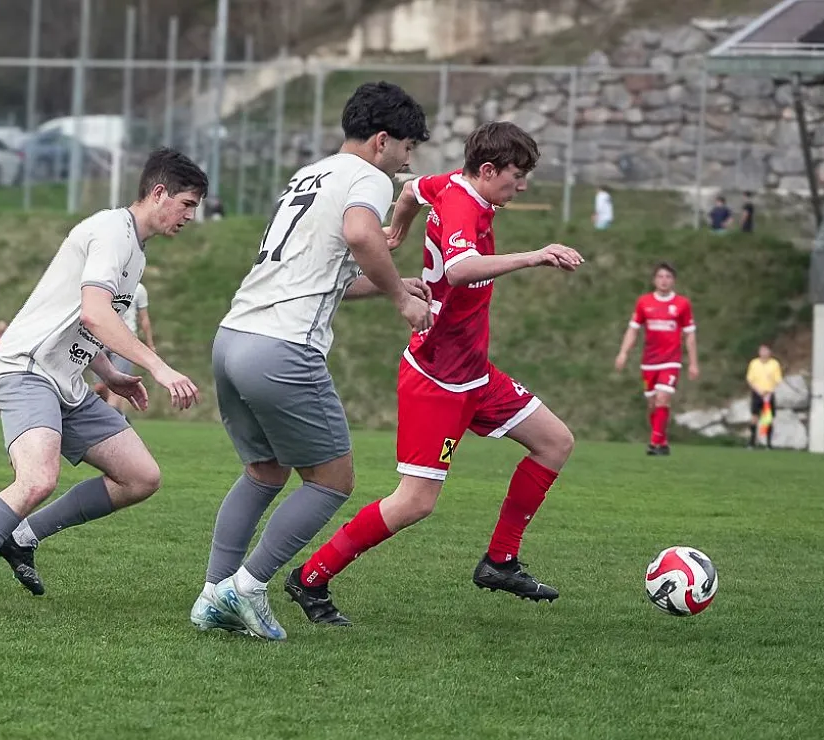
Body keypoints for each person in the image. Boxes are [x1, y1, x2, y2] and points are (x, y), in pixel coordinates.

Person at [286, 121, 584, 628]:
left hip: (473, 373)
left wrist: (399, 230)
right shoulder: (464, 203)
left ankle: (500, 561)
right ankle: (310, 577)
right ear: (488, 171)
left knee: (555, 442)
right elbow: (461, 269)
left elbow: (409, 189)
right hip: (438, 380)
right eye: (518, 176)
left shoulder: (449, 184)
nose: (523, 186)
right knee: (414, 502)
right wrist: (535, 255)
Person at [190, 81, 434, 641]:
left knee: (263, 472)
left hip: (233, 338)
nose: (406, 161)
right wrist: (400, 298)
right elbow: (359, 233)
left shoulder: (310, 173)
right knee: (332, 481)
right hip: (281, 347)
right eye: (406, 149)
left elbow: (324, 279)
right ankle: (246, 590)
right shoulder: (369, 177)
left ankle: (212, 594)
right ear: (380, 141)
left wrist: (395, 284)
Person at [0, 148, 206, 619]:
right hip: (26, 369)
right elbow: (95, 313)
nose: (191, 216)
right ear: (159, 194)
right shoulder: (111, 233)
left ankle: (21, 538)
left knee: (141, 477)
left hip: (65, 379)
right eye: (188, 204)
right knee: (37, 480)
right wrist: (159, 367)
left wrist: (111, 373)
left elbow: (85, 324)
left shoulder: (135, 251)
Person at [614, 262, 699, 456]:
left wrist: (693, 362)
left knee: (663, 397)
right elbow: (633, 330)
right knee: (652, 403)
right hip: (649, 361)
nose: (664, 280)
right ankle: (662, 440)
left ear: (673, 281)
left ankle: (653, 443)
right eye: (660, 276)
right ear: (654, 280)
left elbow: (690, 334)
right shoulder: (644, 302)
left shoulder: (682, 304)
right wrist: (623, 353)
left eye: (668, 277)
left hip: (671, 360)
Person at [95, 283, 154, 416]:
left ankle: (109, 426)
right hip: (101, 340)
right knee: (99, 388)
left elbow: (144, 319)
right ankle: (117, 419)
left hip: (125, 342)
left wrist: (150, 344)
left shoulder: (138, 289)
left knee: (116, 392)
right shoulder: (105, 283)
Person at [746, 343, 782, 449]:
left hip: (768, 394)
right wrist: (758, 390)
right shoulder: (754, 363)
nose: (764, 353)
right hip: (757, 393)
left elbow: (778, 380)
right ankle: (752, 442)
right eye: (762, 351)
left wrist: (769, 392)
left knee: (768, 419)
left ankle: (768, 443)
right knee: (754, 417)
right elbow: (750, 379)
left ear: (769, 352)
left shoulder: (774, 364)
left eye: (766, 351)